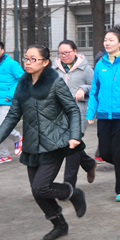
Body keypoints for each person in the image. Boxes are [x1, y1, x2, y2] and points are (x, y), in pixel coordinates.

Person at [0, 44, 86, 240]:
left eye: (33, 59)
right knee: (38, 192)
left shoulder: (55, 83)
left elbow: (72, 110)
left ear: (45, 62)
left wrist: (75, 135)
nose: (28, 62)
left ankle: (73, 193)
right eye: (26, 58)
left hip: (55, 143)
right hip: (32, 146)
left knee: (40, 187)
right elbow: (13, 114)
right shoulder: (22, 84)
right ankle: (60, 225)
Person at [86, 25, 120, 202]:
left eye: (111, 40)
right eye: (105, 40)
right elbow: (95, 89)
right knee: (104, 153)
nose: (107, 42)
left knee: (118, 153)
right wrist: (91, 112)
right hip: (103, 115)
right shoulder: (100, 64)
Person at [52, 40, 96, 187]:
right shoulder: (54, 70)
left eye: (67, 53)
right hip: (59, 115)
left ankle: (68, 185)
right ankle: (89, 164)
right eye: (61, 53)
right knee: (69, 146)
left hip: (78, 113)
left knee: (72, 147)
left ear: (75, 51)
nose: (63, 56)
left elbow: (96, 86)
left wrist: (84, 89)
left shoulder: (86, 69)